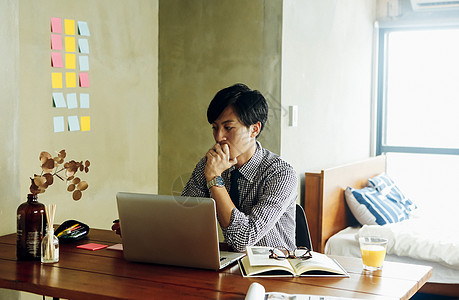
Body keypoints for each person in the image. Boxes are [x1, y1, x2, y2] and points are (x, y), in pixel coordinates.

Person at [181, 83, 298, 252]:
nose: (219, 137)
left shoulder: (281, 174)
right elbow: (184, 220)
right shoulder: (210, 165)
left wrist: (215, 180)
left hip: (275, 269)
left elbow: (244, 240)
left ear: (254, 130)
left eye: (228, 128)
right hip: (231, 265)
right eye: (215, 128)